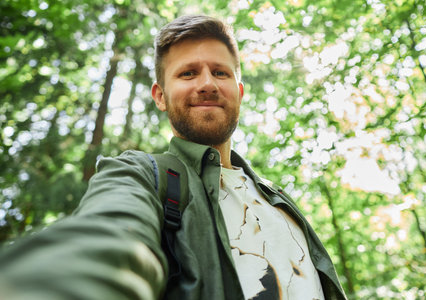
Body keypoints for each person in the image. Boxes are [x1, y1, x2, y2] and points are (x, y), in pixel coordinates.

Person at [0, 15, 347, 300]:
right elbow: (109, 240)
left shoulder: (278, 199)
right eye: (188, 73)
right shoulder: (141, 174)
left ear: (239, 93)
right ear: (160, 96)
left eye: (221, 72)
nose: (207, 83)